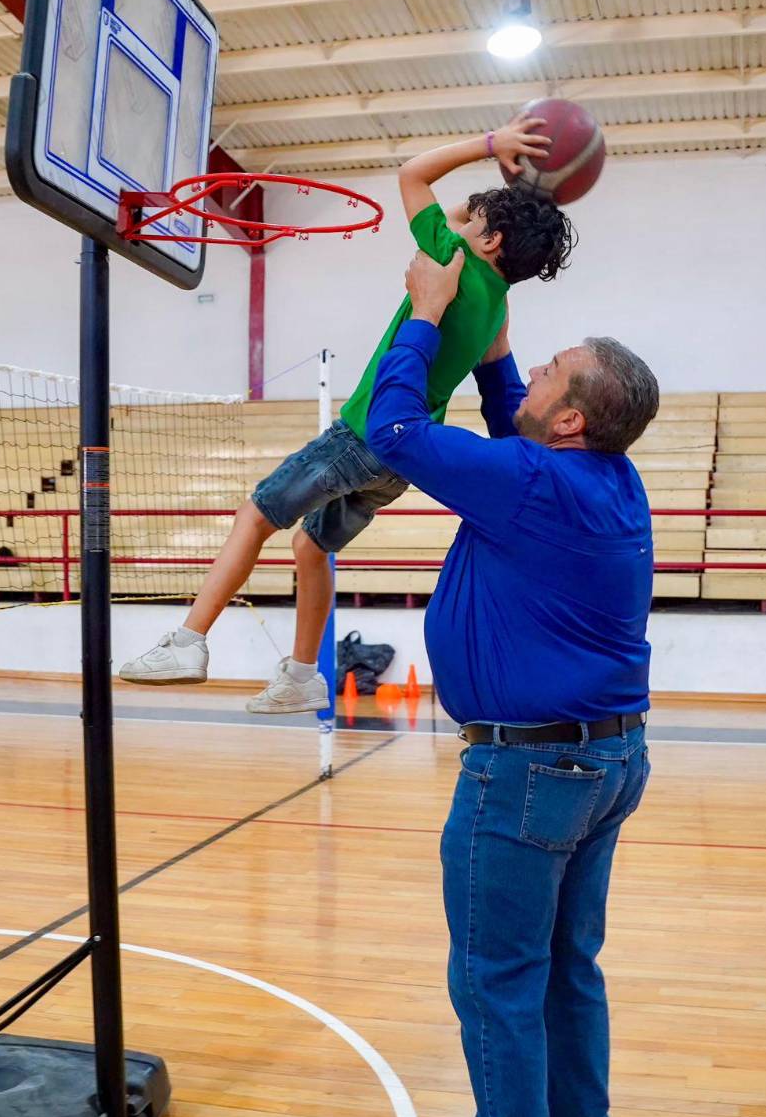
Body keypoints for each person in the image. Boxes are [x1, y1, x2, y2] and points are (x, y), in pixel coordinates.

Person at [120, 113, 575, 712]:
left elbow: (414, 174)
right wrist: (506, 205)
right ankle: (304, 675)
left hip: (361, 435)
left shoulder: (450, 261)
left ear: (487, 241)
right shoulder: (499, 308)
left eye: (476, 220)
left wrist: (490, 146)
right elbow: (473, 228)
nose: (462, 218)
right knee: (311, 547)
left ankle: (189, 641)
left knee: (254, 517)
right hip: (402, 458)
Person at [365, 250, 658, 1117]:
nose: (531, 371)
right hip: (607, 765)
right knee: (569, 972)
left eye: (548, 369)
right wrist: (493, 341)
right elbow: (512, 424)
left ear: (572, 417)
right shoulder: (607, 479)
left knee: (498, 988)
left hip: (528, 778)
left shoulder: (531, 485)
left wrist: (426, 311)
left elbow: (394, 427)